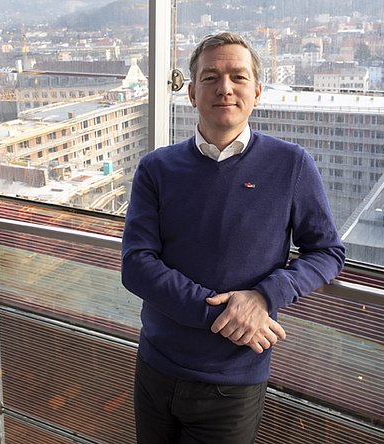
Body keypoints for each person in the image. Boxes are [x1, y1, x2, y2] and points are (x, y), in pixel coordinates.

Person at [121, 32, 346, 443]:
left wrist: (265, 297)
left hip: (234, 381)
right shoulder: (156, 169)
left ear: (256, 92)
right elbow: (136, 266)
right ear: (191, 93)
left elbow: (328, 252)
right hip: (155, 366)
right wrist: (223, 316)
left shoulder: (291, 165)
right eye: (211, 77)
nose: (225, 88)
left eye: (238, 77)